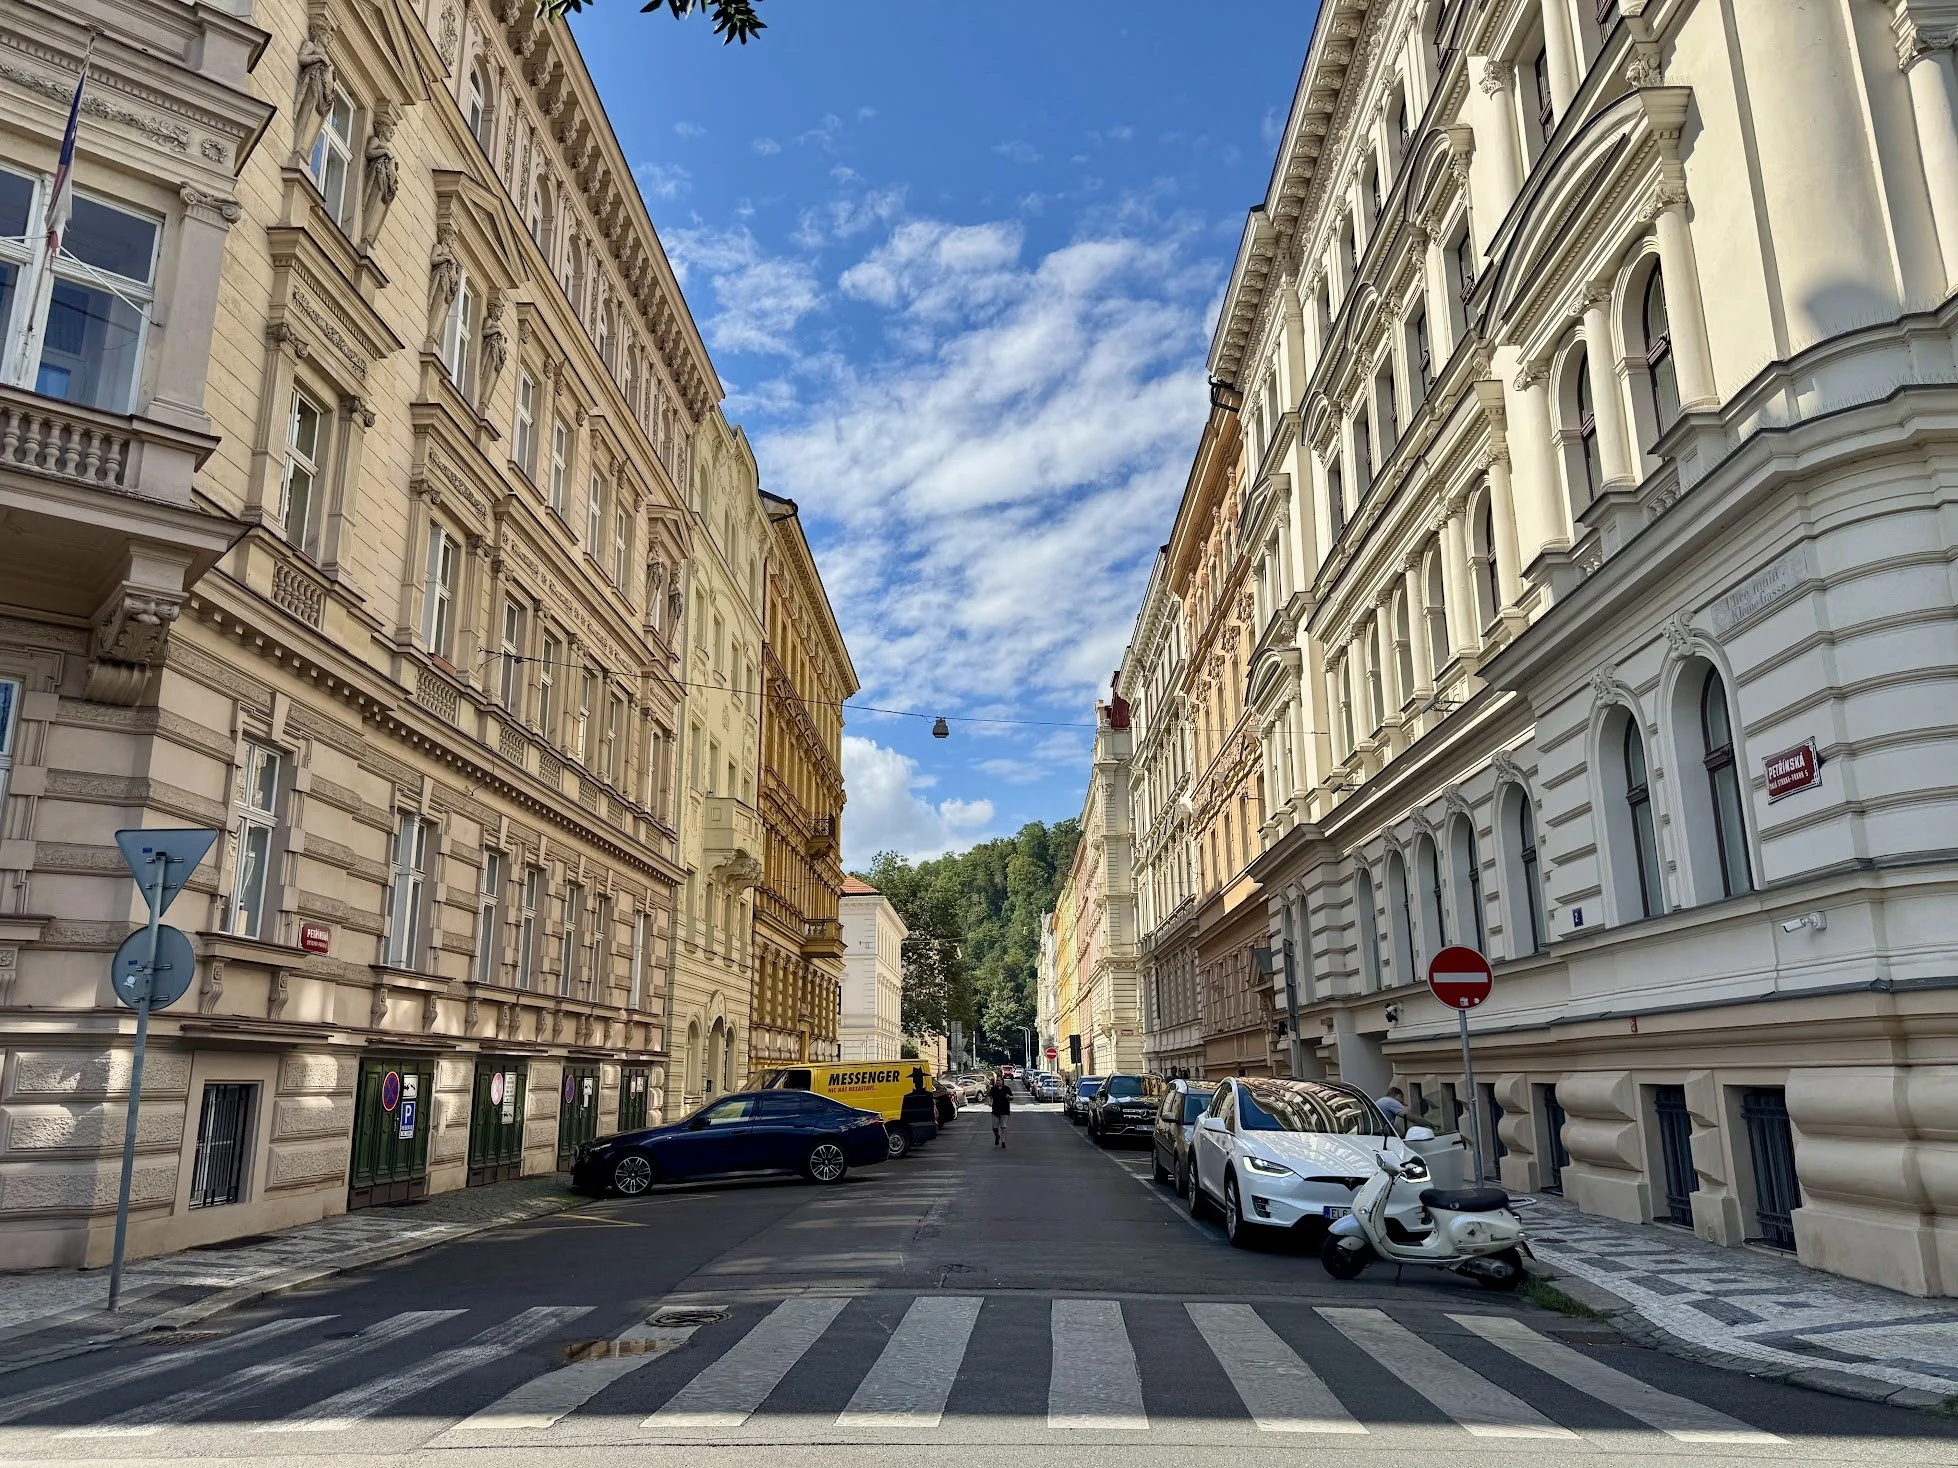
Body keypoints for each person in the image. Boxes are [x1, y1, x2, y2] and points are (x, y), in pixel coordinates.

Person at [987, 1071, 1012, 1147]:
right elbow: (989, 1096)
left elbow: (1012, 1097)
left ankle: (1003, 1142)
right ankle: (997, 1136)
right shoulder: (994, 1089)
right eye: (997, 1080)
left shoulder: (1006, 1089)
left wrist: (1009, 1097)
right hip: (995, 1110)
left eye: (999, 1080)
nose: (998, 1082)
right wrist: (989, 1102)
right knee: (994, 1127)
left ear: (1002, 1081)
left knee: (1003, 1126)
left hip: (1004, 1110)